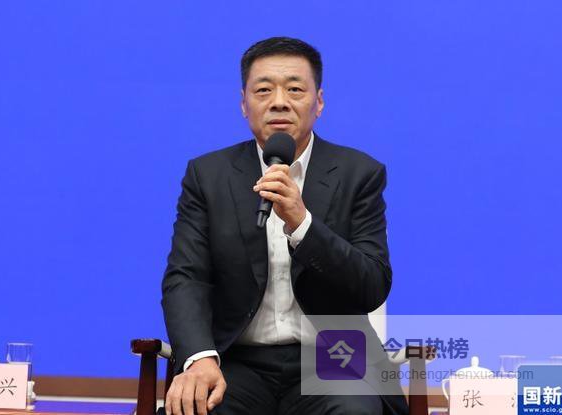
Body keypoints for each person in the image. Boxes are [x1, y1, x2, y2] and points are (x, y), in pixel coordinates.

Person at [161, 37, 407, 415]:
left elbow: (371, 285)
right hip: (235, 360)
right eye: (263, 90)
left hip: (334, 358)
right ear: (244, 104)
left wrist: (302, 224)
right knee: (198, 409)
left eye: (294, 89)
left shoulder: (359, 173)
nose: (279, 101)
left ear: (318, 102)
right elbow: (186, 277)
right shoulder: (207, 175)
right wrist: (200, 358)